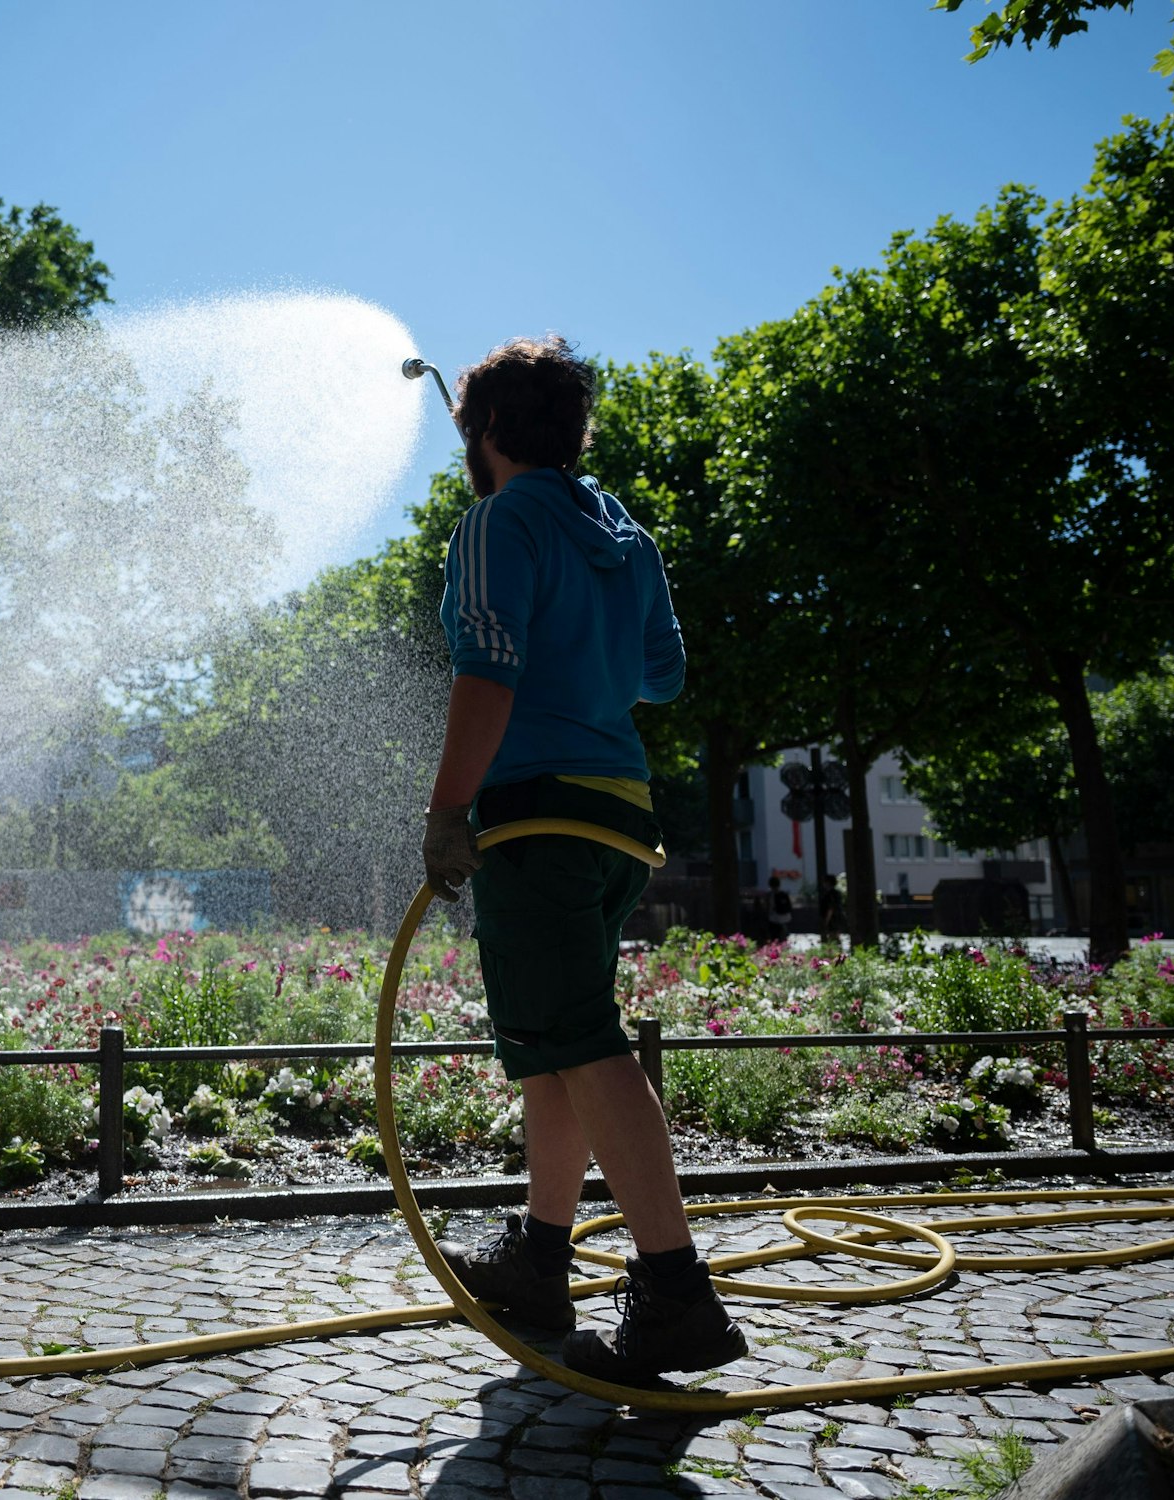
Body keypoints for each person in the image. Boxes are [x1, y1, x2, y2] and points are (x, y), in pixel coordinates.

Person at [421, 336, 745, 1383]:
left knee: (583, 1042)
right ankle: (540, 1256)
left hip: (534, 820)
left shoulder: (493, 523)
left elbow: (486, 673)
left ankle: (674, 1293)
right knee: (556, 1041)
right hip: (617, 819)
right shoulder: (625, 534)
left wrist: (445, 810)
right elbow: (662, 675)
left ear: (489, 433)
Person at [766, 875, 794, 947]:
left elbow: (770, 908)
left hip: (775, 920)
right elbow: (790, 907)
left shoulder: (771, 895)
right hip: (786, 919)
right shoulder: (784, 894)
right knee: (784, 938)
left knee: (775, 939)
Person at [819, 872, 845, 943]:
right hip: (836, 918)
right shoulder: (836, 893)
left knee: (833, 937)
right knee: (834, 936)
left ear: (828, 882)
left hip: (833, 919)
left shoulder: (830, 894)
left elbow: (831, 908)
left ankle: (836, 952)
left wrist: (826, 920)